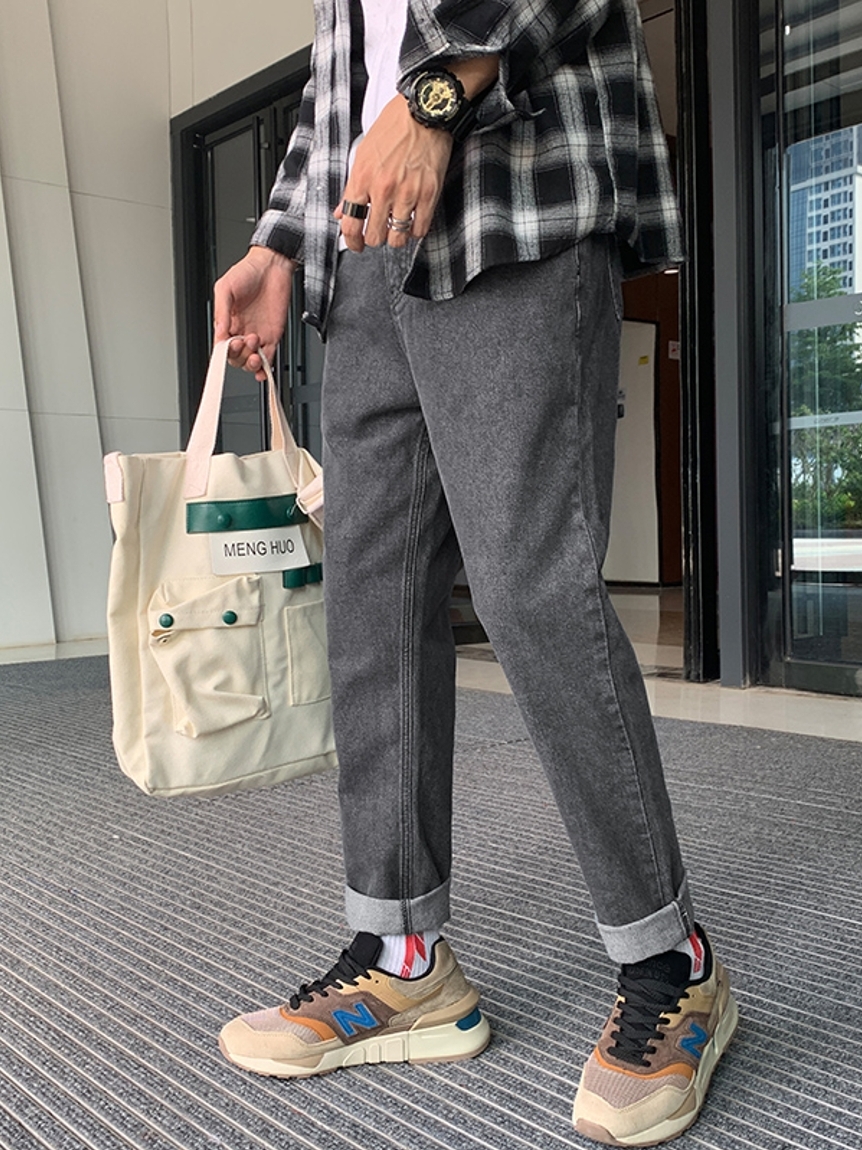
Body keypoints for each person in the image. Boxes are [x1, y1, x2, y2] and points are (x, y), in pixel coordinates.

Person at [213, 1, 738, 1144]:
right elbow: (337, 76)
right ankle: (404, 958)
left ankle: (674, 961)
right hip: (364, 254)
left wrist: (436, 96)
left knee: (529, 588)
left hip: (514, 198)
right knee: (372, 601)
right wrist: (277, 242)